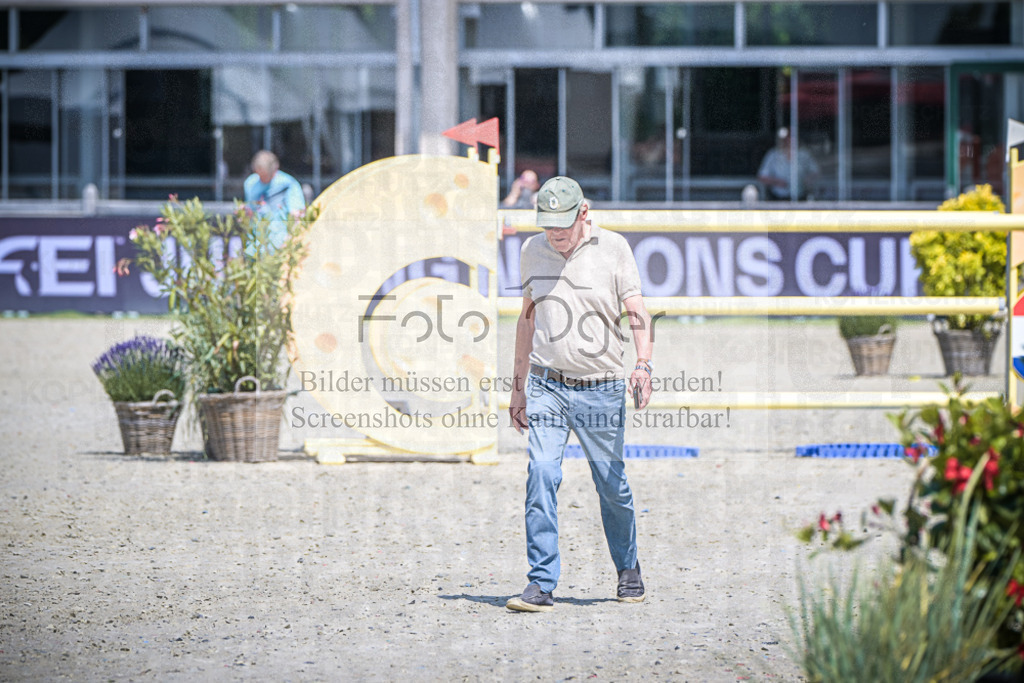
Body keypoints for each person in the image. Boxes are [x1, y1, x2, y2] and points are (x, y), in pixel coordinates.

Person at [506, 176, 655, 613]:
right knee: (541, 474)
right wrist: (518, 389)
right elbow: (526, 320)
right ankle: (541, 582)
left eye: (563, 223)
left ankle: (628, 568)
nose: (554, 232)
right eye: (547, 223)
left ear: (583, 213)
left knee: (611, 484)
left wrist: (643, 364)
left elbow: (636, 310)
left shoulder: (614, 248)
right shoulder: (531, 250)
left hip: (601, 387)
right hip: (546, 383)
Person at [243, 150, 306, 248]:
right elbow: (250, 213)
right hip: (256, 246)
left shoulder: (288, 184)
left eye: (265, 176)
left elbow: (297, 215)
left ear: (275, 169)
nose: (261, 179)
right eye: (259, 174)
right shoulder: (250, 183)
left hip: (281, 245)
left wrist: (291, 240)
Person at [757, 128, 820, 201]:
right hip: (778, 198)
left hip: (800, 197)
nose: (789, 140)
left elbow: (815, 171)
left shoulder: (804, 154)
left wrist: (806, 180)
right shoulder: (773, 155)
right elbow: (762, 177)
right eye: (787, 138)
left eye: (791, 137)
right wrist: (777, 182)